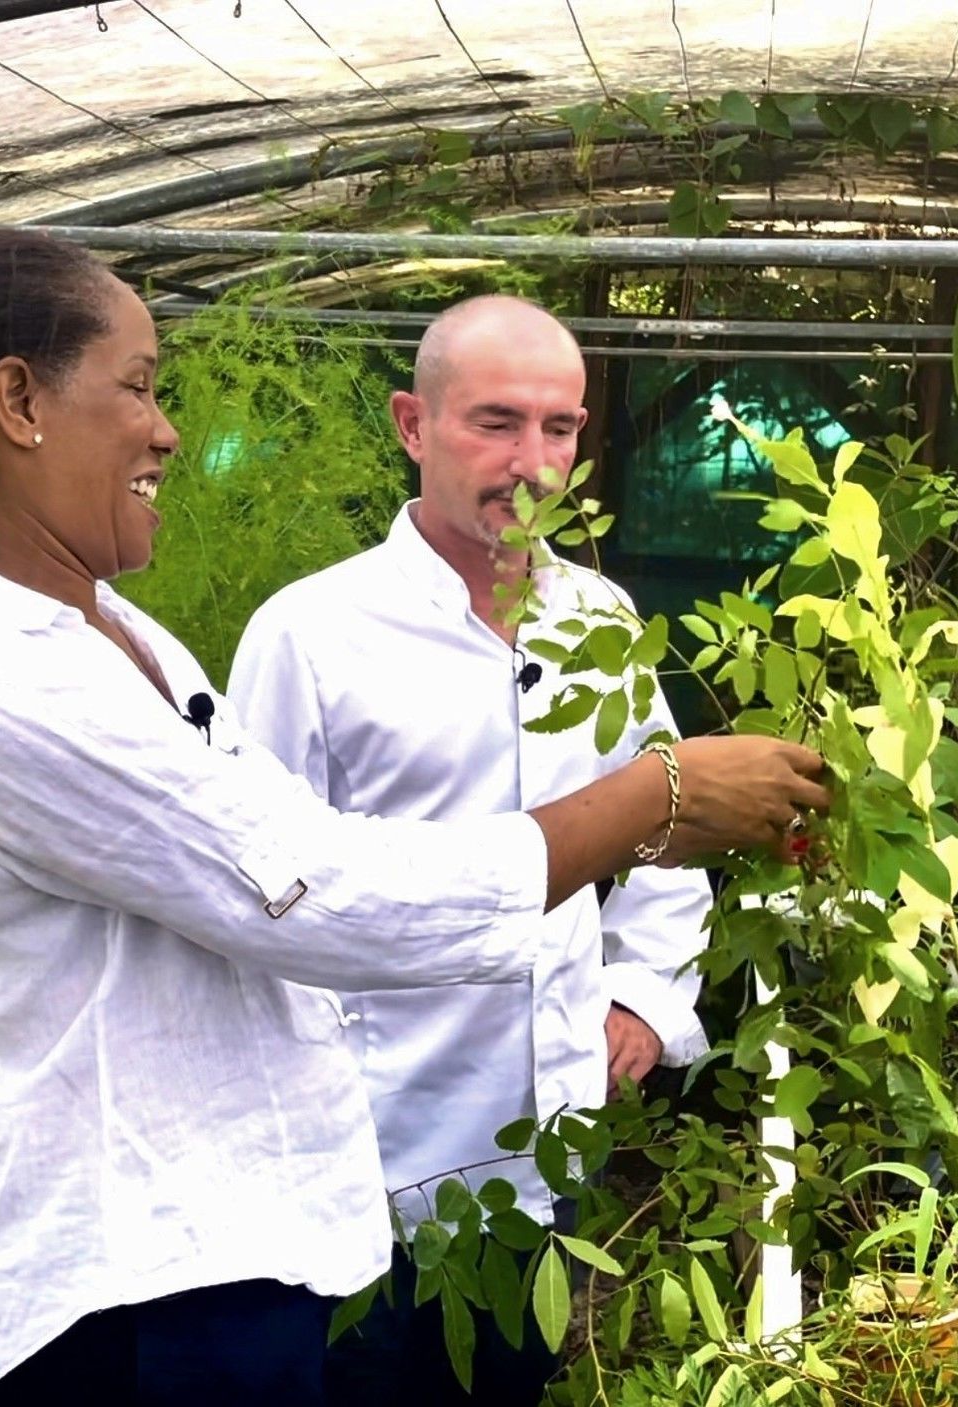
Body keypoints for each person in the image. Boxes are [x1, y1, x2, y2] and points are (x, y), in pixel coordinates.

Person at [0, 226, 829, 1405]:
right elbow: (322, 891)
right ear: (19, 400)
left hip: (255, 1244)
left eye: (561, 428)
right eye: (139, 387)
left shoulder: (110, 634)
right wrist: (655, 794)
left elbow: (271, 863)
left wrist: (658, 854)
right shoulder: (17, 687)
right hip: (151, 1292)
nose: (166, 429)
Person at [230, 295, 715, 1405]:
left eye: (559, 429)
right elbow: (256, 895)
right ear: (411, 423)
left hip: (544, 1168)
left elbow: (665, 829)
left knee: (507, 1383)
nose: (531, 463)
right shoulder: (313, 635)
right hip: (369, 1171)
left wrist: (639, 998)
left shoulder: (598, 618)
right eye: (494, 423)